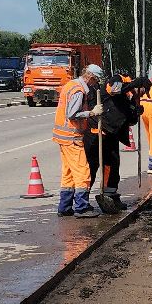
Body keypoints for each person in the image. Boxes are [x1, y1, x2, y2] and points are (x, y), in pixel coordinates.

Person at [54, 64, 105, 218]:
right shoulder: (78, 90)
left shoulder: (71, 85)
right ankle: (81, 207)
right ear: (90, 77)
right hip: (72, 138)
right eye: (96, 81)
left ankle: (64, 207)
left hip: (63, 137)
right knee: (83, 172)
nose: (96, 84)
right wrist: (92, 112)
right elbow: (72, 114)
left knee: (68, 174)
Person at [89, 70, 137, 213]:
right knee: (94, 165)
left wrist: (134, 111)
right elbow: (114, 90)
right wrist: (133, 84)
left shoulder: (128, 89)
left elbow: (124, 108)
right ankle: (82, 199)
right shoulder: (117, 80)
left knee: (113, 164)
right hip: (100, 132)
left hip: (112, 132)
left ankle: (111, 195)